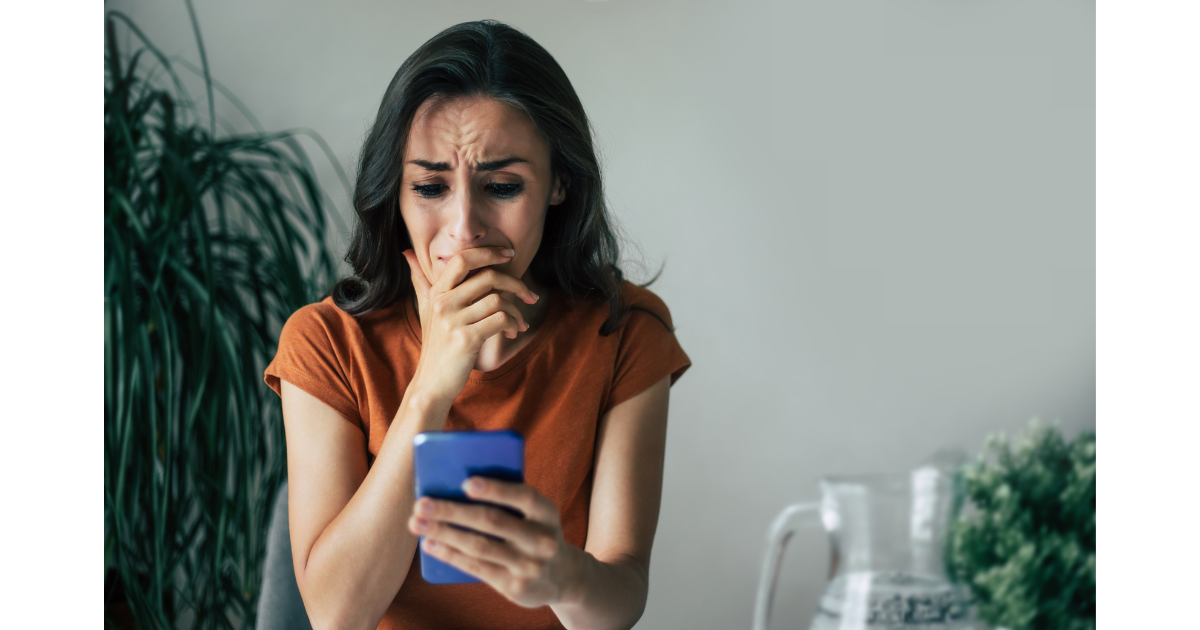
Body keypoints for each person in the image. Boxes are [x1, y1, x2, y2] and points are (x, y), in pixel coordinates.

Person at [264, 19, 690, 630]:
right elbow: (336, 616)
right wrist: (434, 383)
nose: (464, 228)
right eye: (430, 186)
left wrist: (563, 576)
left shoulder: (625, 333)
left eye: (502, 186)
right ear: (396, 192)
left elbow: (618, 600)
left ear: (559, 185)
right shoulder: (326, 342)